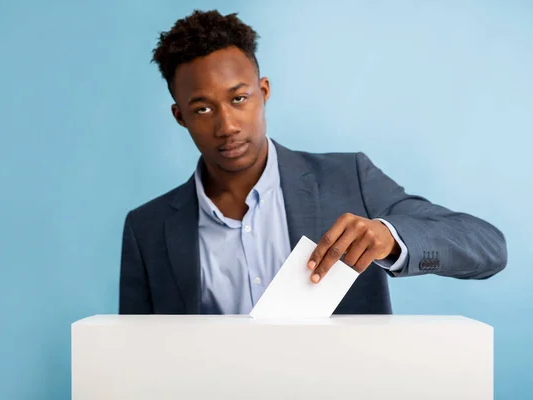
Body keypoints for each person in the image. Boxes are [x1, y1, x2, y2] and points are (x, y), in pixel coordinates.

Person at [119, 9, 507, 315]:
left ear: (263, 91)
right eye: (203, 108)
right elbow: (135, 357)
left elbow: (488, 248)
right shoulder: (147, 228)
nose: (227, 126)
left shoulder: (349, 179)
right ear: (180, 117)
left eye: (239, 99)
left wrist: (390, 238)